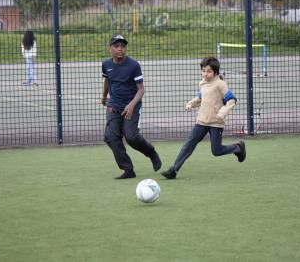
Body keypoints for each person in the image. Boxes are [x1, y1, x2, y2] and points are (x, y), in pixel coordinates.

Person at [161, 56, 246, 179]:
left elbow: (232, 100)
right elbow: (200, 98)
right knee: (188, 145)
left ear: (215, 72)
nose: (205, 74)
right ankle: (173, 170)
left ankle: (237, 148)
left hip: (216, 123)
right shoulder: (202, 83)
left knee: (216, 151)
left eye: (209, 71)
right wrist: (191, 103)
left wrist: (222, 113)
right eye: (203, 70)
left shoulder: (221, 84)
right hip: (201, 121)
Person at [101, 34, 162, 179]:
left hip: (132, 104)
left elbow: (141, 89)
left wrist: (131, 105)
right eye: (116, 46)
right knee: (111, 137)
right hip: (114, 104)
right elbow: (107, 81)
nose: (120, 49)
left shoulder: (134, 65)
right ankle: (128, 169)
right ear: (110, 48)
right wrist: (104, 96)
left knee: (131, 137)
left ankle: (151, 153)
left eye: (122, 46)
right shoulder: (106, 64)